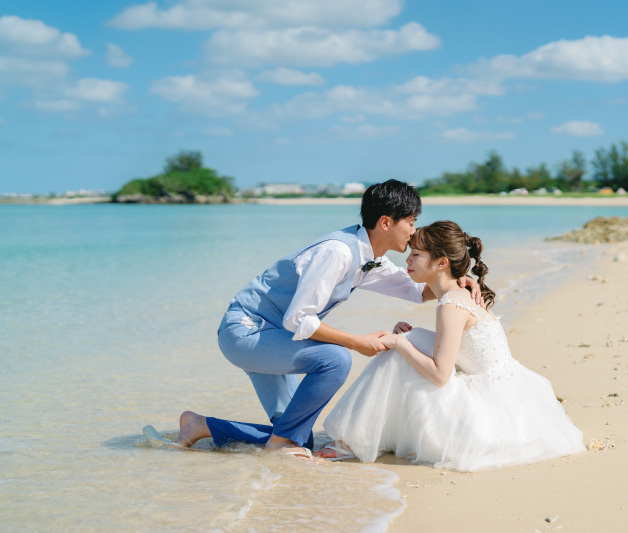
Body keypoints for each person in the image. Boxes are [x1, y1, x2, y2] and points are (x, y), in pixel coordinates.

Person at [167, 180, 480, 461]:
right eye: (411, 222)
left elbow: (416, 290)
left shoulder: (370, 258)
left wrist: (459, 279)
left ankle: (201, 425)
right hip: (248, 332)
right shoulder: (338, 252)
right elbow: (299, 319)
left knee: (298, 439)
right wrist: (358, 342)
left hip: (277, 338)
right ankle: (275, 443)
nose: (414, 231)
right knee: (336, 359)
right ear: (386, 222)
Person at [319, 220, 586, 470]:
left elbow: (439, 375)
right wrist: (405, 339)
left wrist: (399, 342)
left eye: (416, 255)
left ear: (441, 263)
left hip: (488, 407)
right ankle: (365, 435)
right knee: (405, 340)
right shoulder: (457, 294)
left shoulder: (451, 304)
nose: (407, 260)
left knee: (399, 347)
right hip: (509, 390)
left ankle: (357, 440)